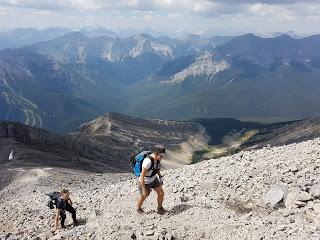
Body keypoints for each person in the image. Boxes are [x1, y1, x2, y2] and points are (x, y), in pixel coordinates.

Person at [137, 144, 166, 214]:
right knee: (144, 195)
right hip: (145, 181)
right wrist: (144, 189)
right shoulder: (147, 162)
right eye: (161, 155)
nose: (162, 157)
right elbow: (142, 176)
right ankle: (138, 208)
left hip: (153, 178)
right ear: (156, 154)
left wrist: (160, 177)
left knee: (161, 193)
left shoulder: (158, 158)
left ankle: (160, 208)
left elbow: (157, 168)